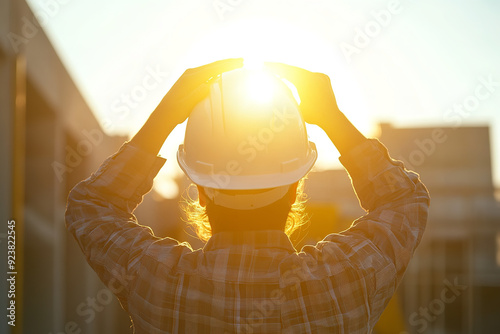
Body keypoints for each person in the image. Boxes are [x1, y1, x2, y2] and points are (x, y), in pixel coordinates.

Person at [65, 58, 430, 333]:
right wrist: (331, 117)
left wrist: (163, 117)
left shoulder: (158, 281)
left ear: (202, 194)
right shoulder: (344, 281)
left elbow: (92, 207)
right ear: (295, 189)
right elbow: (403, 201)